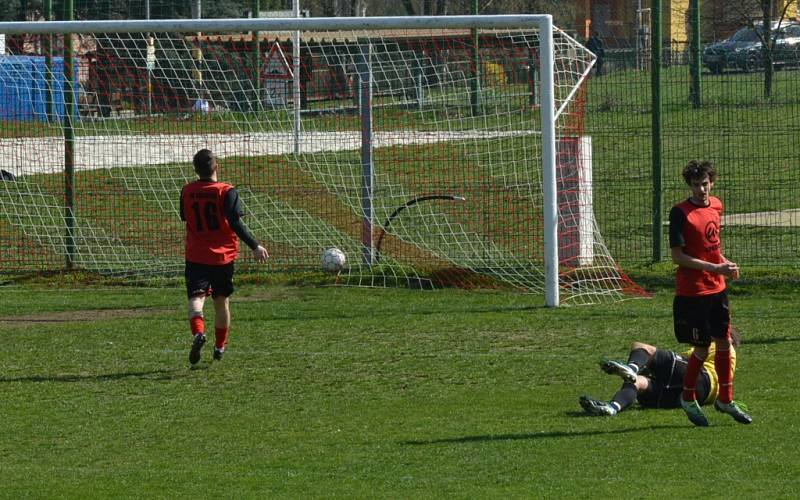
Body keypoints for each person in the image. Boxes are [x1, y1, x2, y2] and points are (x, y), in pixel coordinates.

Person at [668, 160, 751, 426]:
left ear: (711, 182)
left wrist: (725, 265)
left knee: (724, 342)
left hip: (717, 288)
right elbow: (679, 257)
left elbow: (711, 248)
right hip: (693, 292)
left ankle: (726, 399)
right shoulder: (680, 213)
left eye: (705, 184)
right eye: (696, 185)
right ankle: (687, 397)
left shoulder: (716, 205)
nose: (701, 189)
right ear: (689, 186)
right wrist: (716, 267)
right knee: (702, 348)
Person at [180, 149, 269, 364]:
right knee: (221, 303)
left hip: (196, 256)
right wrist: (255, 245)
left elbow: (184, 216)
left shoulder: (187, 190)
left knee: (196, 300)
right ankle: (219, 347)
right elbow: (235, 222)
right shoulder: (226, 191)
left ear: (195, 169)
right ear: (216, 166)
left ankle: (198, 333)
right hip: (223, 258)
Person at [579, 335, 742, 417]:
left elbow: (688, 361)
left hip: (700, 377)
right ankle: (611, 408)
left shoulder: (720, 345)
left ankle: (631, 367)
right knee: (639, 383)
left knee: (643, 348)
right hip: (697, 397)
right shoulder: (727, 360)